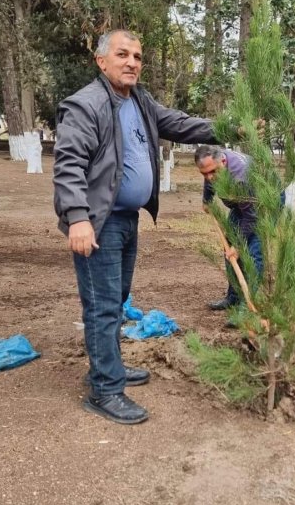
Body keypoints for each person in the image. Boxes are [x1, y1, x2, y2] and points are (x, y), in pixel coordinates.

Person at [53, 30, 219, 425]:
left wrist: (231, 126)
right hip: (99, 223)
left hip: (126, 219)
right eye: (122, 54)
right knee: (103, 305)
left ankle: (107, 367)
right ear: (101, 61)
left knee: (117, 299)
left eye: (138, 57)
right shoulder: (86, 104)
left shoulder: (140, 100)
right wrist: (77, 218)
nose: (132, 63)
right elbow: (69, 164)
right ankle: (106, 390)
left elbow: (180, 124)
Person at [195, 145, 264, 314]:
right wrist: (207, 199)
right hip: (243, 205)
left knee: (253, 251)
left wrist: (239, 245)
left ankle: (247, 305)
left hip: (264, 204)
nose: (210, 178)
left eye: (213, 172)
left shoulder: (241, 178)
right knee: (229, 249)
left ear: (224, 162)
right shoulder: (215, 164)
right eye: (204, 174)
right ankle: (233, 298)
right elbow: (209, 176)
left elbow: (251, 216)